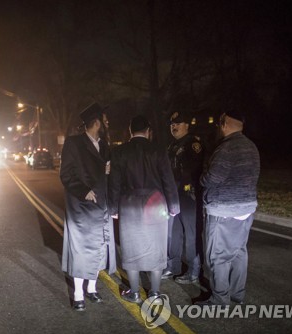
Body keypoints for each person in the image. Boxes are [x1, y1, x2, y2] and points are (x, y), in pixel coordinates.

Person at [109, 115, 180, 303]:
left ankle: (134, 293)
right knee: (157, 248)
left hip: (129, 203)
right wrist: (174, 205)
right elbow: (168, 179)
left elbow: (114, 183)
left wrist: (113, 208)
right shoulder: (158, 150)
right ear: (148, 132)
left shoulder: (119, 151)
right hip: (155, 203)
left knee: (130, 248)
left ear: (130, 132)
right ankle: (155, 293)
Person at [197, 110, 260, 307]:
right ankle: (237, 294)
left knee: (218, 256)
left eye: (218, 124)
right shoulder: (252, 147)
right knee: (239, 252)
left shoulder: (226, 149)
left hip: (223, 209)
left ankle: (220, 299)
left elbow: (212, 179)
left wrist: (202, 178)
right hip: (246, 208)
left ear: (224, 125)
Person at [60, 102, 116, 311]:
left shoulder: (106, 145)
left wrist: (108, 172)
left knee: (101, 246)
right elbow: (66, 175)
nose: (107, 122)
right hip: (82, 206)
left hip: (101, 205)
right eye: (105, 118)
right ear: (96, 122)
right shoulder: (74, 143)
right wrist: (84, 191)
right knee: (82, 250)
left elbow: (106, 173)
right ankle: (78, 294)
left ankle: (92, 289)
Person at [162, 111, 204, 284]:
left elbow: (192, 169)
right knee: (174, 232)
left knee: (191, 233)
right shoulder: (172, 145)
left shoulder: (193, 144)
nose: (174, 126)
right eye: (172, 124)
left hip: (188, 194)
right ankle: (174, 265)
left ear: (187, 125)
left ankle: (194, 271)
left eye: (178, 123)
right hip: (174, 194)